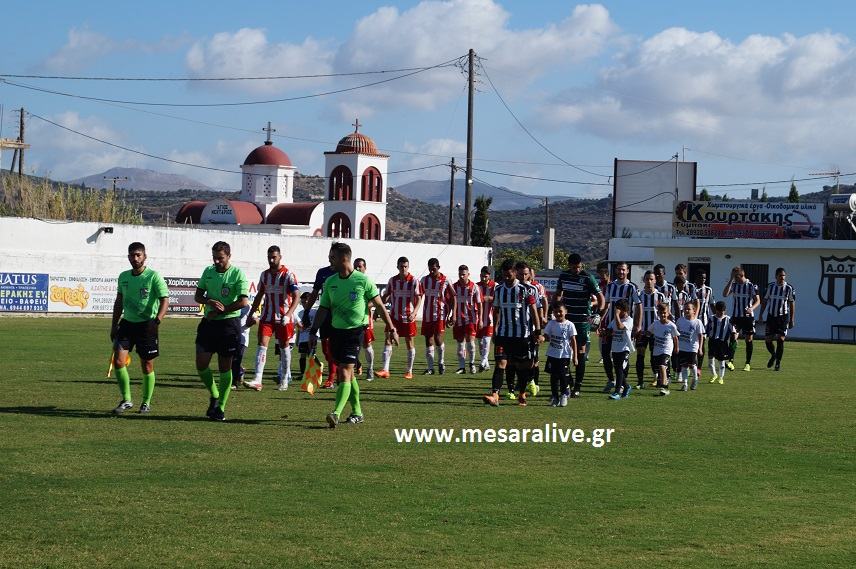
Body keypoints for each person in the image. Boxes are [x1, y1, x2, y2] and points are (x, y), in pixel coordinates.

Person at [308, 243, 398, 428]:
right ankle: (357, 412)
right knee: (349, 375)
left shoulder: (362, 281)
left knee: (344, 372)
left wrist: (391, 328)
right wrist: (312, 331)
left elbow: (380, 305)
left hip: (355, 332)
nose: (329, 260)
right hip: (336, 333)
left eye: (332, 257)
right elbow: (323, 309)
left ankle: (336, 413)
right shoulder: (330, 282)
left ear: (343, 258)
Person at [109, 242, 169, 415]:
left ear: (144, 256)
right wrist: (114, 325)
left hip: (147, 326)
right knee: (119, 362)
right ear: (128, 257)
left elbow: (165, 299)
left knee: (147, 366)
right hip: (127, 324)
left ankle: (146, 402)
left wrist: (157, 320)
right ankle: (127, 400)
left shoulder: (153, 277)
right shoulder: (123, 277)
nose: (135, 258)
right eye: (132, 255)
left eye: (138, 255)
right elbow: (119, 301)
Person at [194, 241, 250, 421]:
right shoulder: (208, 272)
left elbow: (243, 301)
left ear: (229, 256)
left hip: (228, 325)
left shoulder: (237, 274)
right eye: (215, 258)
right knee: (201, 363)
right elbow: (197, 296)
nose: (217, 262)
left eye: (220, 258)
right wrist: (209, 302)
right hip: (209, 323)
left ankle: (221, 407)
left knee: (224, 367)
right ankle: (215, 394)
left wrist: (224, 309)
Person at [482, 259, 541, 407]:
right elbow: (496, 311)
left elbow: (534, 312)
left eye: (509, 275)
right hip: (503, 335)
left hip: (522, 336)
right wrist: (495, 330)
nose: (506, 278)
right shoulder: (499, 290)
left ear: (515, 273)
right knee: (500, 364)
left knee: (522, 367)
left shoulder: (525, 290)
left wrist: (538, 331)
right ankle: (495, 395)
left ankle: (521, 393)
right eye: (504, 275)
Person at [246, 246, 299, 391]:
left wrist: (289, 315)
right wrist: (251, 313)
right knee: (262, 344)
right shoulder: (264, 275)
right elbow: (259, 295)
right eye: (269, 257)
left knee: (284, 346)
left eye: (274, 257)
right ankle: (257, 379)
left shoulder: (288, 275)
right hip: (267, 316)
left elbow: (296, 297)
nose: (271, 260)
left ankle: (284, 379)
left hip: (283, 317)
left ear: (280, 257)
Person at [554, 253, 604, 398]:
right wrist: (555, 309)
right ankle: (569, 380)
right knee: (565, 350)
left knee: (581, 351)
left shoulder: (588, 277)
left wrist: (598, 313)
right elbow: (558, 294)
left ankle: (578, 386)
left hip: (582, 320)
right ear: (569, 265)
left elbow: (600, 297)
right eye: (574, 267)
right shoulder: (564, 276)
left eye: (579, 266)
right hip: (567, 320)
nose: (577, 269)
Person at [598, 262, 639, 393]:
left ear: (627, 271)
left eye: (623, 270)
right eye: (619, 270)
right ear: (616, 271)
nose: (621, 272)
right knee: (605, 354)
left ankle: (621, 384)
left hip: (624, 328)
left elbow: (639, 306)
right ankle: (612, 380)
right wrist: (600, 321)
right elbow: (607, 305)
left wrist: (637, 325)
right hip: (611, 326)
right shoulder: (611, 286)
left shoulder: (632, 287)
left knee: (622, 358)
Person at [378, 256, 421, 379]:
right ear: (397, 267)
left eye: (405, 266)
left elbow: (419, 298)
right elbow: (386, 296)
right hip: (394, 316)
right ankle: (385, 370)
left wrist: (414, 313)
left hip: (408, 316)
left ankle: (409, 371)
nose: (403, 269)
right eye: (401, 266)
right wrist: (378, 309)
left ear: (408, 267)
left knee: (409, 342)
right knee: (388, 339)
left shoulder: (414, 281)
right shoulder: (392, 280)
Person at [305, 252, 339, 388]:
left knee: (335, 346)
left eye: (334, 255)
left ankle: (332, 377)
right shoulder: (322, 273)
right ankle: (336, 369)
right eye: (330, 255)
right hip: (324, 313)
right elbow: (314, 293)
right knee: (325, 348)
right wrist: (306, 311)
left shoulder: (343, 273)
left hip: (339, 314)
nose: (331, 258)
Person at [419, 258, 454, 375]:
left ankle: (441, 362)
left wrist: (453, 314)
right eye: (430, 269)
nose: (432, 271)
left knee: (438, 339)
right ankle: (430, 368)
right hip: (427, 314)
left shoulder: (445, 280)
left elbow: (454, 297)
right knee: (428, 340)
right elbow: (418, 295)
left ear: (439, 267)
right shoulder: (424, 280)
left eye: (434, 269)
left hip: (440, 314)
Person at [722, 266, 760, 371]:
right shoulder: (734, 285)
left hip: (748, 317)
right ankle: (730, 361)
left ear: (742, 275)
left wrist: (751, 308)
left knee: (748, 339)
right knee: (733, 336)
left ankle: (747, 363)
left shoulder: (751, 286)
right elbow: (724, 294)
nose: (735, 279)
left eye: (736, 277)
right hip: (736, 316)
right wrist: (730, 280)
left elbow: (758, 300)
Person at [633, 270, 666, 390]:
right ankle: (640, 381)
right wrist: (635, 327)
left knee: (655, 356)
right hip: (642, 331)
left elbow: (665, 313)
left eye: (651, 279)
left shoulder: (661, 296)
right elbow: (635, 312)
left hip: (656, 332)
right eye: (647, 279)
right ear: (644, 280)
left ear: (655, 280)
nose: (649, 281)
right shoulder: (638, 295)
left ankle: (657, 377)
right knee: (640, 355)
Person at [760, 267, 796, 371]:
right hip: (771, 316)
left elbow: (792, 303)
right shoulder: (770, 287)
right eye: (780, 276)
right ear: (776, 276)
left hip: (783, 317)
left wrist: (792, 319)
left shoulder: (789, 288)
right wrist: (761, 315)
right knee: (768, 340)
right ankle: (773, 354)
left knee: (780, 339)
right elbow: (765, 301)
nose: (782, 278)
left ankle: (778, 363)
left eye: (784, 276)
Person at [543, 303, 577, 407]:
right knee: (553, 377)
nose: (558, 313)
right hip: (552, 354)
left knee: (563, 377)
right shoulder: (551, 323)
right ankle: (555, 397)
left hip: (564, 355)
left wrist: (575, 357)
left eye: (560, 311)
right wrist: (542, 338)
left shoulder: (569, 325)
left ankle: (564, 395)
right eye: (556, 311)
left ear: (565, 311)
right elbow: (546, 336)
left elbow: (573, 341)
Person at [519, 262, 545, 394]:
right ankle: (520, 385)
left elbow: (539, 307)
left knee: (534, 358)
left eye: (527, 274)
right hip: (516, 331)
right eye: (522, 274)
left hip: (531, 329)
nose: (524, 276)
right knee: (518, 360)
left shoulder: (535, 288)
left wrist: (539, 327)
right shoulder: (513, 288)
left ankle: (534, 382)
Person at [451, 265, 482, 374]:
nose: (461, 276)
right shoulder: (454, 287)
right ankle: (461, 367)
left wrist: (481, 319)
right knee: (460, 343)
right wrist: (451, 315)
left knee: (470, 342)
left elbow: (479, 304)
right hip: (458, 319)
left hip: (471, 318)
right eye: (460, 274)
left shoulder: (474, 287)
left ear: (468, 274)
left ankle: (472, 364)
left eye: (464, 274)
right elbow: (451, 303)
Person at [648, 303, 679, 396]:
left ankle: (664, 387)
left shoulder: (671, 326)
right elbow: (649, 332)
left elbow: (675, 338)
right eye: (661, 313)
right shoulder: (655, 323)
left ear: (668, 313)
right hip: (657, 350)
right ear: (658, 313)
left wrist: (676, 348)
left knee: (662, 366)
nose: (663, 315)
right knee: (661, 367)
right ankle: (664, 381)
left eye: (665, 312)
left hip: (667, 350)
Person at [353, 258, 376, 380]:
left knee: (367, 345)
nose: (357, 269)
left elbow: (375, 300)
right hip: (351, 321)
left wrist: (365, 305)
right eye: (355, 266)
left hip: (365, 320)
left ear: (365, 268)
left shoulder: (367, 282)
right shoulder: (350, 281)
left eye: (360, 266)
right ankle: (354, 367)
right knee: (351, 345)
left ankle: (370, 368)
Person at [675, 302, 705, 391]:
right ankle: (685, 384)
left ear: (694, 311)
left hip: (692, 347)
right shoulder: (680, 320)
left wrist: (700, 348)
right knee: (684, 366)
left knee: (692, 365)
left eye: (688, 309)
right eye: (685, 309)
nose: (686, 310)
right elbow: (676, 333)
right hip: (682, 347)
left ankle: (695, 379)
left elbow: (701, 335)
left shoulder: (697, 322)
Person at [608, 299, 634, 400]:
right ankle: (627, 387)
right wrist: (604, 331)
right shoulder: (615, 319)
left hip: (625, 349)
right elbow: (610, 330)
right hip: (615, 349)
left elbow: (620, 327)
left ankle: (617, 392)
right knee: (618, 370)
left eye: (619, 309)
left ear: (625, 310)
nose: (617, 311)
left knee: (619, 369)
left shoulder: (629, 320)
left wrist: (617, 315)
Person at [707, 301, 736, 384]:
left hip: (722, 343)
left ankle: (721, 377)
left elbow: (733, 332)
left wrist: (732, 343)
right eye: (719, 311)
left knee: (721, 361)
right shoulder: (711, 318)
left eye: (722, 311)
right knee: (710, 360)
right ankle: (714, 375)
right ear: (716, 310)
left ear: (725, 310)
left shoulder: (728, 319)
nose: (720, 313)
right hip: (712, 341)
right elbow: (706, 330)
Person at [476, 266, 496, 372]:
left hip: (490, 317)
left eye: (486, 276)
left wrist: (489, 298)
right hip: (478, 318)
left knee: (486, 340)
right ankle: (486, 362)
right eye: (482, 276)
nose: (484, 278)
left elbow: (499, 298)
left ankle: (483, 361)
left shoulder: (495, 285)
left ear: (489, 276)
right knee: (480, 342)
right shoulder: (476, 286)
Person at [294, 292, 318, 379]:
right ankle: (302, 374)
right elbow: (299, 327)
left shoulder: (315, 311)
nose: (304, 304)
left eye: (306, 302)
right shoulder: (300, 313)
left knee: (312, 355)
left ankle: (315, 372)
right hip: (302, 338)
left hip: (312, 337)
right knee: (302, 355)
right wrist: (297, 339)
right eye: (303, 302)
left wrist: (315, 335)